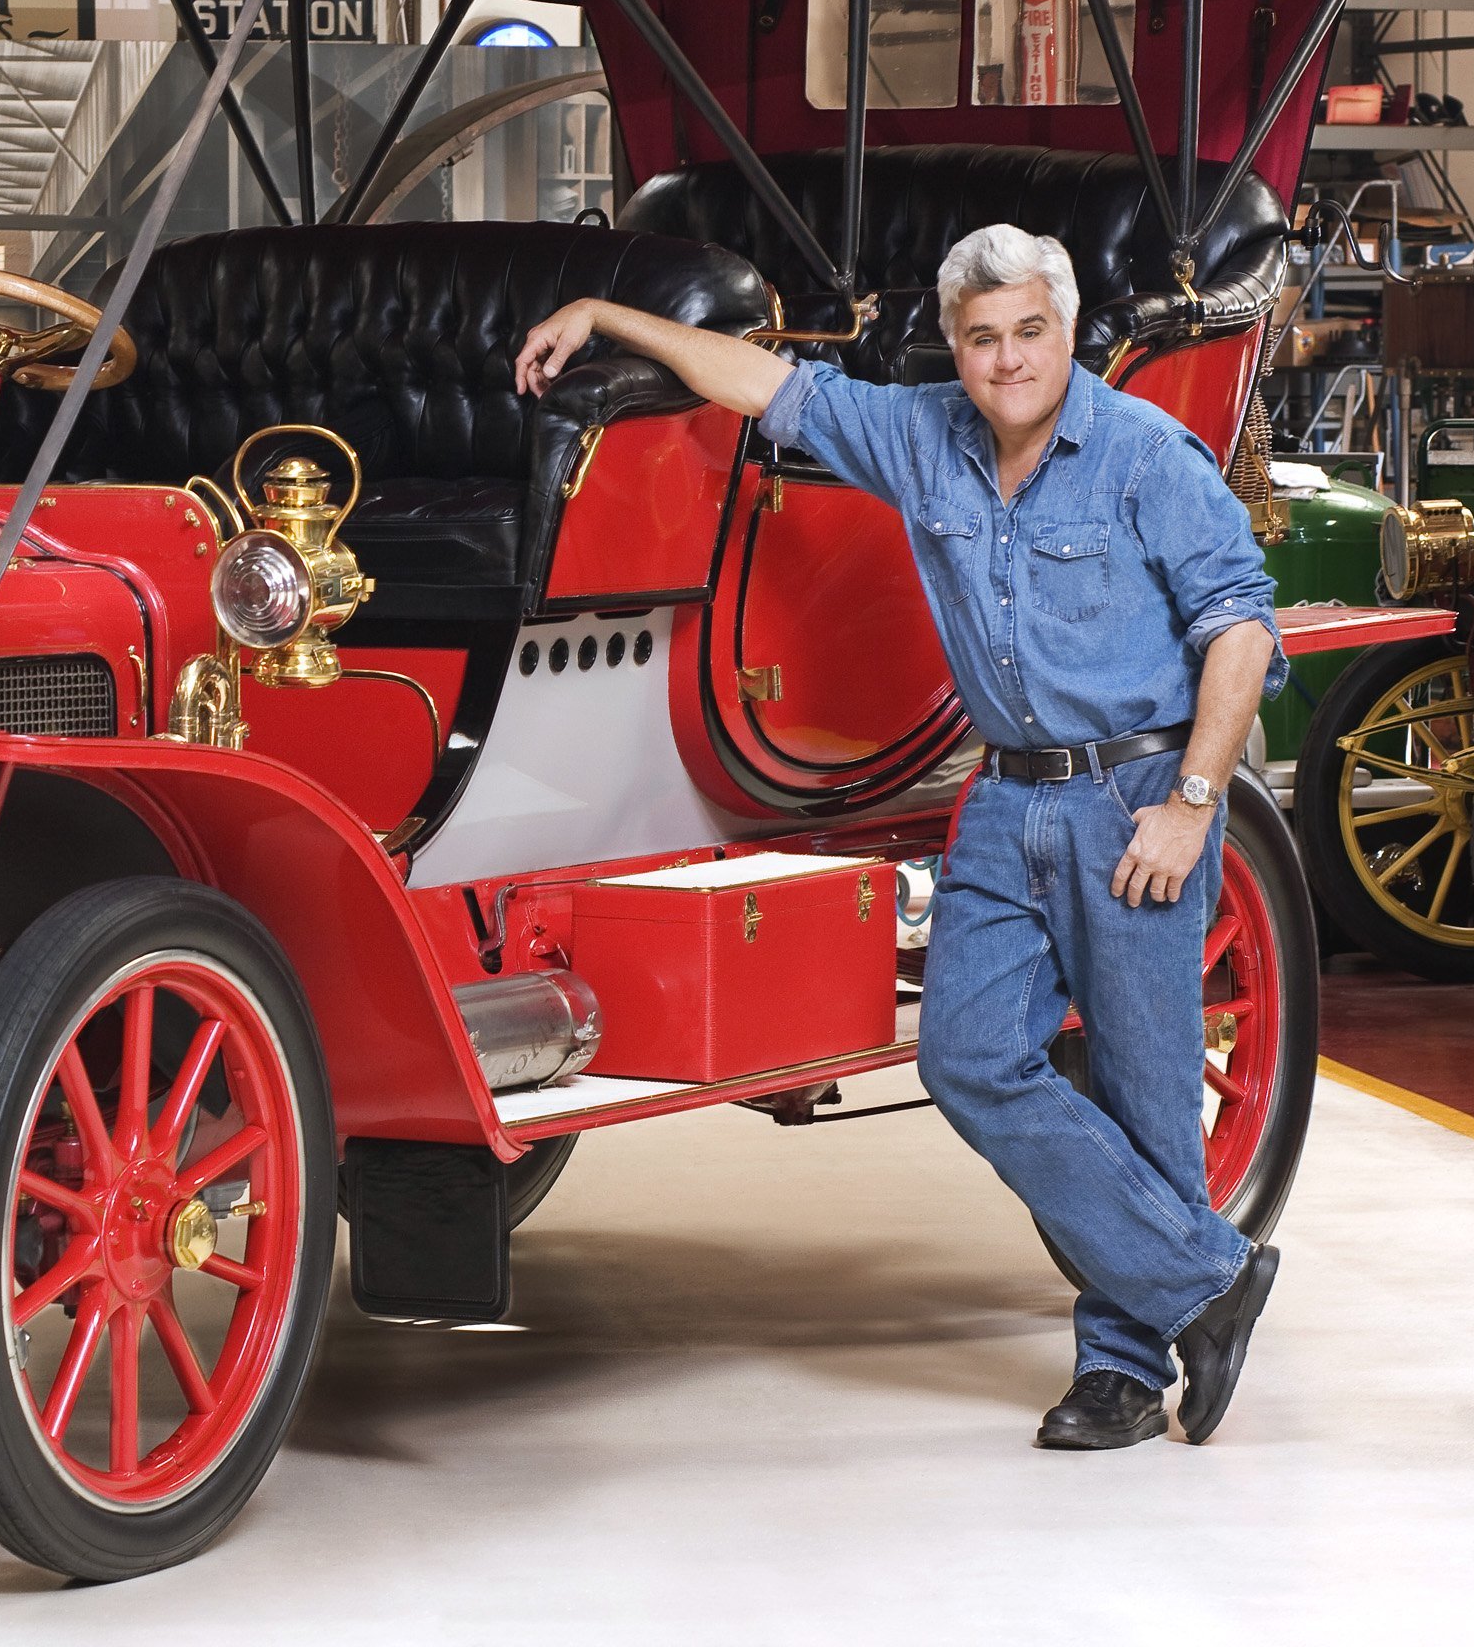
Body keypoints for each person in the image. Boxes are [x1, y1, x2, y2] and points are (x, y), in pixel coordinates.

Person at [514, 224, 1286, 1451]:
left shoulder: (1144, 456)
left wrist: (1192, 805)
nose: (1007, 359)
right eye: (982, 337)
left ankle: (1124, 1373)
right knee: (968, 1055)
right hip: (1007, 798)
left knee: (1146, 1096)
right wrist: (609, 317)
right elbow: (763, 382)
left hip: (1131, 795)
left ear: (1069, 330)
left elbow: (1241, 629)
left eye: (1030, 330)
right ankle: (1208, 1276)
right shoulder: (923, 434)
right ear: (958, 347)